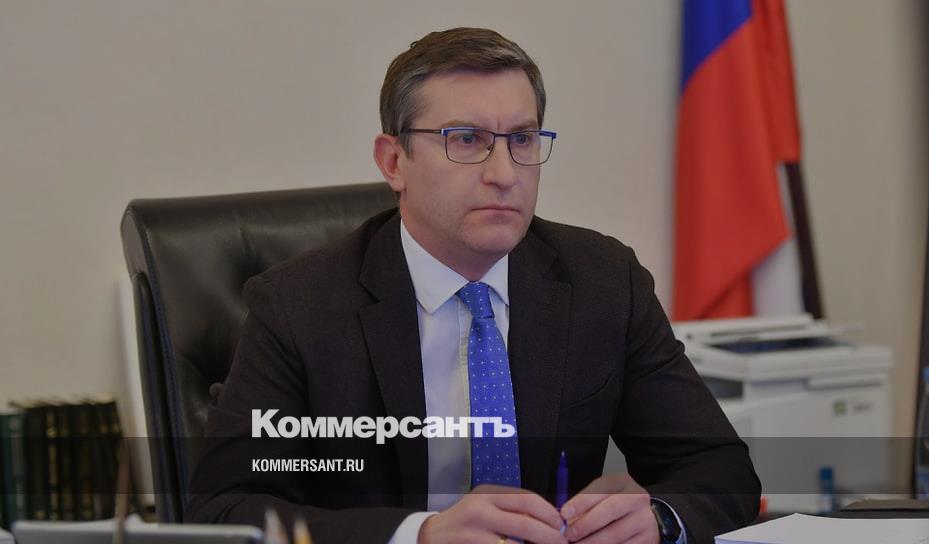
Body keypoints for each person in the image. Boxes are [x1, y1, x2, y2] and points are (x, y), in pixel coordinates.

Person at [187, 27, 760, 544]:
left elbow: (718, 466)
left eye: (522, 140)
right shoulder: (299, 306)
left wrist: (659, 518)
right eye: (465, 139)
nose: (504, 173)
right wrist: (421, 536)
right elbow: (223, 509)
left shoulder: (603, 280)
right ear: (394, 162)